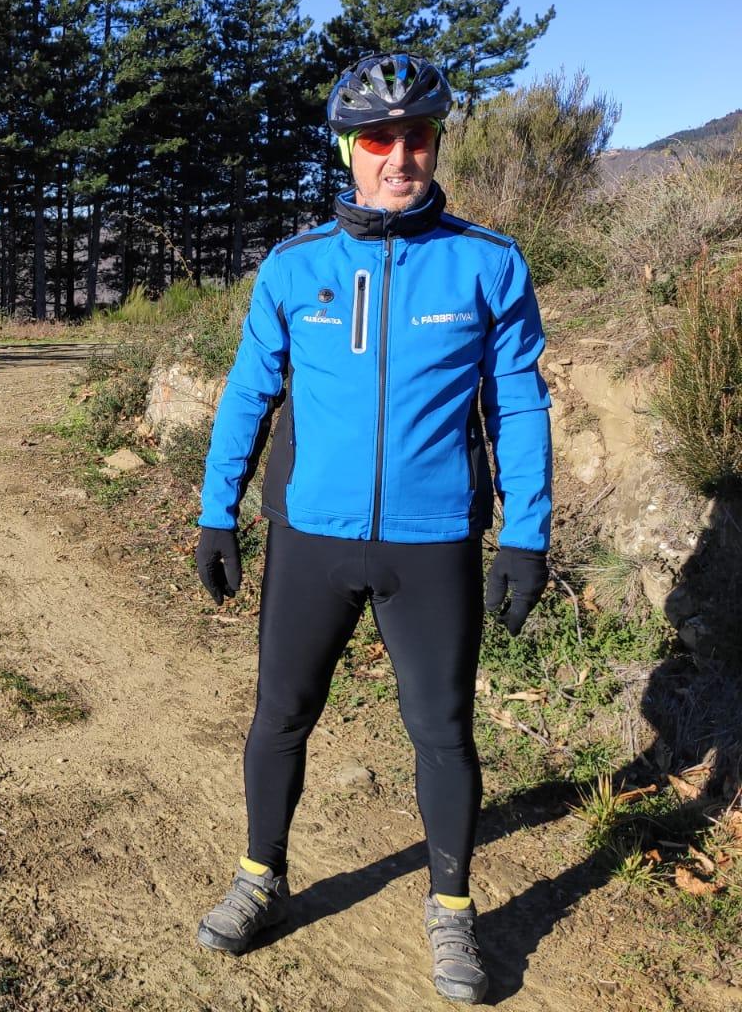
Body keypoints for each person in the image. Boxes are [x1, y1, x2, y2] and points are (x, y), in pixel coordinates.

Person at [192, 52, 552, 1005]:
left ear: (436, 143)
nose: (401, 156)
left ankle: (452, 909)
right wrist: (217, 512)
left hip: (433, 542)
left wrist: (526, 534)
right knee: (280, 716)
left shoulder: (487, 262)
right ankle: (261, 877)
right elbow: (248, 394)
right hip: (313, 535)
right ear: (347, 150)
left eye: (417, 136)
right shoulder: (295, 266)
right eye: (380, 139)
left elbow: (518, 405)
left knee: (443, 731)